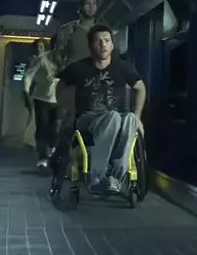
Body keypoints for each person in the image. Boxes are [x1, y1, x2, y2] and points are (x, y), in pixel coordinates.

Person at [55, 24, 146, 193]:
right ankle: (96, 176)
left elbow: (140, 87)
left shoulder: (122, 67)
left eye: (107, 40)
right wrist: (65, 111)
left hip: (116, 119)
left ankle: (114, 178)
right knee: (114, 116)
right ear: (91, 46)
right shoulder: (79, 68)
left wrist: (138, 116)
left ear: (112, 45)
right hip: (87, 119)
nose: (103, 45)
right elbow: (60, 86)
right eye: (98, 41)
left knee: (129, 119)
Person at [23, 38, 59, 168]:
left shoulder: (65, 60)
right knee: (42, 127)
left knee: (55, 127)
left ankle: (53, 148)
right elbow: (28, 76)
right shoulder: (42, 59)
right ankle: (43, 156)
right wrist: (26, 92)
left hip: (58, 99)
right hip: (42, 99)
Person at [51, 0, 105, 71]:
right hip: (73, 74)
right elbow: (57, 54)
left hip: (95, 74)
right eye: (87, 3)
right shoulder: (68, 29)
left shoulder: (102, 30)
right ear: (80, 7)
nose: (91, 7)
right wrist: (65, 68)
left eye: (94, 3)